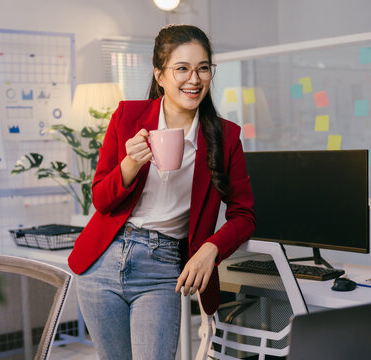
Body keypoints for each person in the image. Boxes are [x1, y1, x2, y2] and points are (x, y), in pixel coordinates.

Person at [68, 24, 255, 360]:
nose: (194, 79)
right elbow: (101, 199)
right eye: (181, 68)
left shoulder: (225, 136)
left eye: (203, 68)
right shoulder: (128, 116)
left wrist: (211, 248)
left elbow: (245, 216)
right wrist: (128, 166)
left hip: (163, 265)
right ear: (160, 75)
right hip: (104, 260)